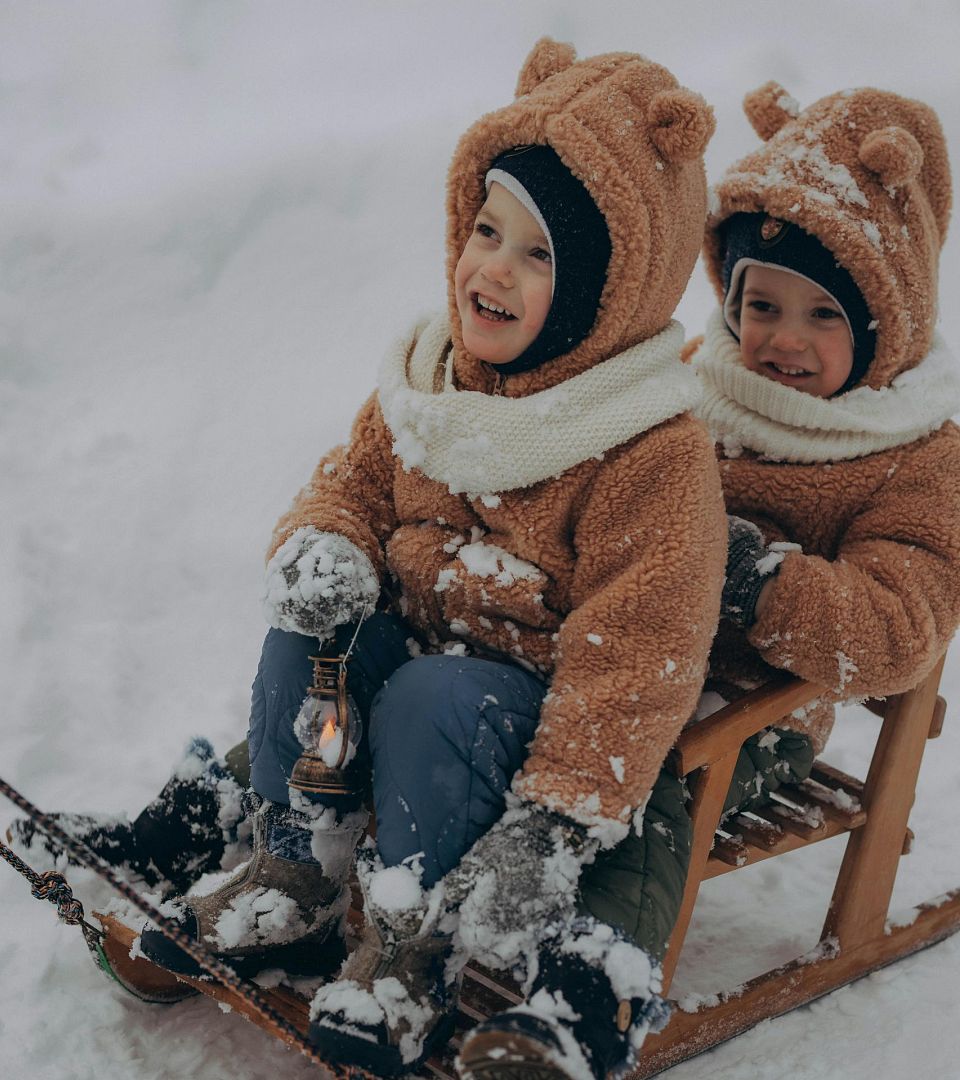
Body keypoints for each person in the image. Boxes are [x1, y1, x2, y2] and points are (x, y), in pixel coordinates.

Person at [130, 36, 730, 1078]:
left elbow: (642, 651)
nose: (491, 266)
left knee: (433, 701)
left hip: (518, 732)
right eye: (487, 228)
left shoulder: (647, 446)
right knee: (309, 645)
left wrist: (552, 821)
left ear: (606, 288)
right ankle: (298, 867)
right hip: (408, 672)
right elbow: (355, 481)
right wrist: (326, 540)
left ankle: (410, 943)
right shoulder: (429, 377)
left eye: (538, 255)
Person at [686, 80, 960, 766]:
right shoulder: (696, 376)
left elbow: (899, 631)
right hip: (616, 654)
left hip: (749, 717)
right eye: (764, 306)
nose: (785, 340)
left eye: (824, 314)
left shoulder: (918, 455)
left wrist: (760, 581)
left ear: (882, 328)